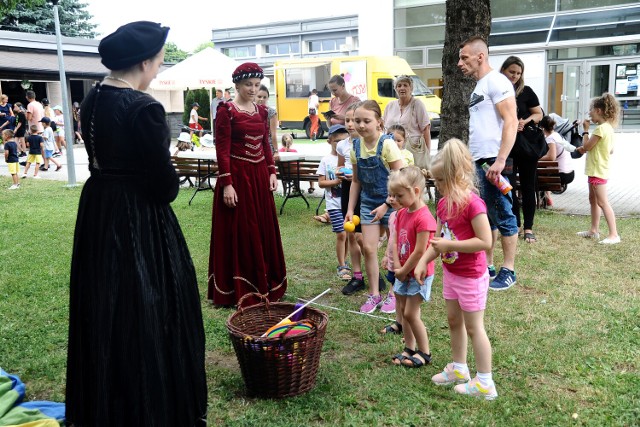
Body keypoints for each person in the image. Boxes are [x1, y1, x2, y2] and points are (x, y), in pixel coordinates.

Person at [66, 21, 207, 426]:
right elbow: (163, 187)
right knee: (150, 304)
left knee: (105, 302)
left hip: (98, 210)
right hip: (137, 218)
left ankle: (105, 402)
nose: (160, 68)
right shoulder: (144, 107)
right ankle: (149, 405)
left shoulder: (93, 99)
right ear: (144, 61)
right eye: (160, 61)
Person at [415, 138, 497, 400]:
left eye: (440, 181)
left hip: (471, 276)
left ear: (455, 176)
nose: (436, 186)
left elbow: (485, 241)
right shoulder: (442, 204)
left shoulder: (473, 204)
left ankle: (485, 382)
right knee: (454, 321)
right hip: (452, 274)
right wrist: (422, 260)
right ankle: (460, 369)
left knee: (475, 328)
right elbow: (437, 241)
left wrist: (452, 243)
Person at [208, 62, 287, 307]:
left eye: (256, 85)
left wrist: (272, 171)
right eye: (247, 85)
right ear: (237, 85)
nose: (253, 89)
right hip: (238, 176)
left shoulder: (262, 112)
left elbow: (266, 143)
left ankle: (265, 281)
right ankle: (238, 286)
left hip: (259, 175)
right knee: (241, 229)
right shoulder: (226, 110)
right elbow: (222, 149)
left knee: (262, 227)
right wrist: (227, 184)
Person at [457, 36, 518, 291]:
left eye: (464, 57)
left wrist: (501, 160)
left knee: (503, 213)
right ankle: (489, 264)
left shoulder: (497, 81)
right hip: (480, 160)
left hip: (495, 160)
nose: (460, 63)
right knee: (487, 214)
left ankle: (509, 270)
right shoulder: (480, 85)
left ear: (480, 56)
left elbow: (511, 121)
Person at [345, 100, 403, 313]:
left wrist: (387, 205)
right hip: (369, 202)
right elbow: (356, 181)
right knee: (368, 248)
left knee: (394, 249)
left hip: (393, 202)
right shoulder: (355, 147)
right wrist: (351, 209)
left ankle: (395, 293)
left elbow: (401, 179)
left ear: (379, 122)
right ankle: (374, 294)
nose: (360, 125)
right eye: (356, 120)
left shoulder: (387, 145)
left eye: (366, 121)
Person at [386, 166, 436, 368]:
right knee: (404, 310)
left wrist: (404, 271)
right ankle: (409, 347)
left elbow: (419, 251)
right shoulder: (401, 214)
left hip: (418, 274)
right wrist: (398, 268)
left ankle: (425, 352)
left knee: (410, 313)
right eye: (393, 195)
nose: (395, 200)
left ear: (415, 191)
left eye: (399, 195)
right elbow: (396, 241)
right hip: (403, 272)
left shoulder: (424, 218)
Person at [500, 56, 543, 244]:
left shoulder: (526, 91)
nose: (515, 76)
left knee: (528, 187)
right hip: (506, 148)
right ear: (503, 70)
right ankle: (515, 223)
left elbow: (539, 113)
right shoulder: (498, 90)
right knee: (509, 187)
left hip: (526, 147)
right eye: (512, 72)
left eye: (518, 73)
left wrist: (524, 122)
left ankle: (529, 227)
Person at [575, 93, 621, 245]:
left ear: (599, 111)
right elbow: (611, 150)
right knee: (593, 200)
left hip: (597, 171)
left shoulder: (600, 129)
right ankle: (594, 230)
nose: (589, 113)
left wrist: (586, 130)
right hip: (598, 169)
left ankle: (614, 234)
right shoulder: (608, 128)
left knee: (602, 202)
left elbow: (587, 146)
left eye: (591, 110)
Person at [337, 102, 366, 296]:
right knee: (351, 232)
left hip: (365, 190)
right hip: (348, 188)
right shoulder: (342, 145)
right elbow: (340, 166)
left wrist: (356, 177)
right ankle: (357, 275)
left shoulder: (369, 143)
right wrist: (340, 173)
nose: (350, 124)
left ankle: (373, 272)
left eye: (354, 120)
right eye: (347, 120)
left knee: (362, 236)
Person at [317, 124, 350, 280]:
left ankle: (346, 261)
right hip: (334, 204)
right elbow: (321, 183)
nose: (340, 144)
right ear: (329, 141)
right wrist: (336, 181)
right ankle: (341, 264)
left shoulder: (349, 158)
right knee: (341, 234)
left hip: (348, 203)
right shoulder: (326, 160)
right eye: (337, 141)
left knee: (349, 234)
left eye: (344, 140)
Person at [382, 75, 431, 170]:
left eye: (405, 85)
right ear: (395, 89)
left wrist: (427, 152)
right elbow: (384, 128)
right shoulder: (390, 105)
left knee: (412, 177)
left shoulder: (417, 104)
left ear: (411, 88)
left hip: (413, 150)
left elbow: (426, 129)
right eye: (399, 86)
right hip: (392, 149)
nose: (402, 88)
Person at [539, 115, 574, 205]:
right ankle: (547, 197)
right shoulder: (557, 135)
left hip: (561, 175)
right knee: (543, 171)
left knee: (535, 175)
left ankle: (545, 198)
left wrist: (536, 158)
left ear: (542, 128)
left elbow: (551, 157)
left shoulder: (550, 138)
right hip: (569, 173)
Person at [256, 84, 278, 154]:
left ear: (268, 98)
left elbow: (273, 134)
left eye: (264, 97)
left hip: (267, 147)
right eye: (259, 97)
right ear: (254, 97)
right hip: (253, 147)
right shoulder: (249, 111)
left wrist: (276, 151)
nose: (261, 99)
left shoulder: (271, 112)